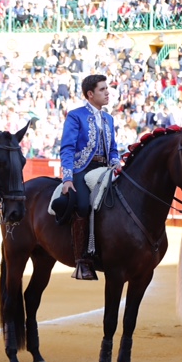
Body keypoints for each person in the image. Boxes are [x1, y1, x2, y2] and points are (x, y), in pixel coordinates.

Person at [59, 74, 122, 280]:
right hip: (81, 168)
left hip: (105, 168)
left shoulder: (109, 118)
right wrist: (67, 177)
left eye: (107, 88)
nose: (107, 92)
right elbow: (67, 148)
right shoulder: (75, 116)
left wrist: (116, 163)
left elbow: (112, 149)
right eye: (102, 89)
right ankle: (82, 260)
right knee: (83, 204)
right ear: (90, 94)